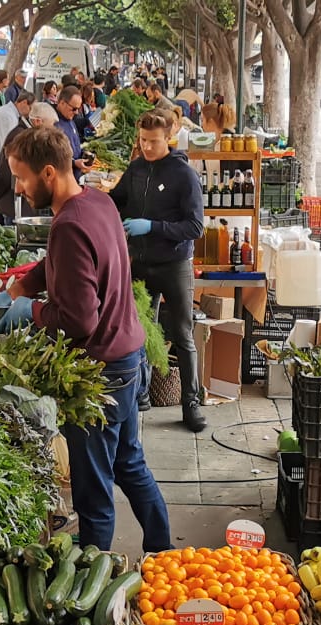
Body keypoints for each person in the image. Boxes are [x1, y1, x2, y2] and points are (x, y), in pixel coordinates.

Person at [0, 127, 171, 554]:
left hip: (101, 371)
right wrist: (26, 283)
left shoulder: (69, 224)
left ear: (50, 173)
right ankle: (164, 554)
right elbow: (69, 264)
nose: (18, 188)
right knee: (130, 463)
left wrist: (31, 312)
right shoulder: (96, 202)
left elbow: (78, 320)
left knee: (93, 490)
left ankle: (94, 579)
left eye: (22, 178)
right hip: (126, 355)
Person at [112, 110, 207, 432]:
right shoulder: (136, 169)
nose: (148, 147)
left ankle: (191, 404)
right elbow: (117, 200)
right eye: (143, 141)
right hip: (139, 263)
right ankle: (141, 395)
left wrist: (152, 226)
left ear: (168, 136)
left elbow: (195, 226)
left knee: (182, 334)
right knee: (140, 331)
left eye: (154, 141)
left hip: (174, 264)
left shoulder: (184, 175)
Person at [0, 101, 53, 219]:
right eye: (49, 127)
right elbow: (4, 173)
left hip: (21, 205)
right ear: (37, 122)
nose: (51, 132)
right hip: (13, 206)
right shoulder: (20, 138)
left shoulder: (29, 136)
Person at [0, 92, 34, 187]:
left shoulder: (7, 112)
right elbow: (10, 143)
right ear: (24, 103)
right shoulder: (8, 116)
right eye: (30, 108)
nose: (30, 113)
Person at [55, 86, 91, 176]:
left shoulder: (70, 119)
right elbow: (55, 157)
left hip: (76, 175)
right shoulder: (54, 124)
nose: (76, 112)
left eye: (78, 109)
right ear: (62, 103)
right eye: (74, 109)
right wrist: (74, 163)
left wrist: (84, 153)